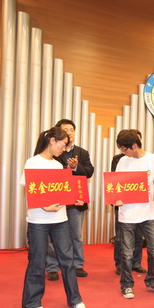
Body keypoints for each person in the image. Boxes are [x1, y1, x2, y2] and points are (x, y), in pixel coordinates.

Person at [20, 127, 85, 308]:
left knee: (67, 260)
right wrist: (43, 206)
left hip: (60, 219)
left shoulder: (58, 165)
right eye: (62, 145)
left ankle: (75, 299)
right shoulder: (33, 162)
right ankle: (32, 302)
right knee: (37, 261)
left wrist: (74, 199)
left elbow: (60, 191)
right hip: (38, 221)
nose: (64, 149)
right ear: (52, 141)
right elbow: (30, 189)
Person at [114, 129, 154, 299]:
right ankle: (126, 284)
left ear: (134, 145)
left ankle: (152, 280)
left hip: (148, 214)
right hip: (127, 214)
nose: (123, 152)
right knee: (127, 253)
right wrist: (116, 199)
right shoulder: (122, 162)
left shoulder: (153, 159)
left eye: (124, 149)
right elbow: (116, 185)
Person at [45, 119, 94, 281]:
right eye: (65, 130)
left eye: (72, 130)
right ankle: (52, 267)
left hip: (76, 199)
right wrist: (66, 169)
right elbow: (51, 175)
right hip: (57, 199)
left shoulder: (82, 152)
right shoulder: (53, 152)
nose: (70, 133)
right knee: (53, 235)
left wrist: (75, 167)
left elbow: (89, 172)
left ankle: (77, 264)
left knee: (75, 235)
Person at [111, 130, 146, 276]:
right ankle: (120, 263)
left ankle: (136, 262)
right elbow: (114, 180)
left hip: (140, 205)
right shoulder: (119, 159)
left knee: (138, 236)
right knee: (121, 237)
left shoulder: (147, 160)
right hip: (124, 203)